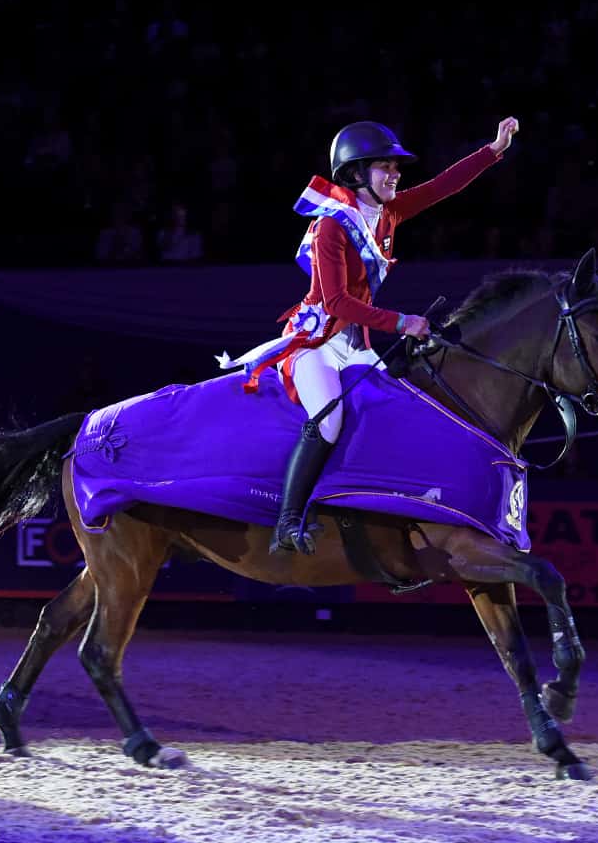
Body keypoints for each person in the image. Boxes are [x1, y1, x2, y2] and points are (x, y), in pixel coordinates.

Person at [218, 117, 519, 553]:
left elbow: (441, 187)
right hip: (316, 343)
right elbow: (337, 302)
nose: (395, 174)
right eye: (385, 167)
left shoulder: (390, 213)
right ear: (357, 174)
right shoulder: (331, 227)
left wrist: (493, 149)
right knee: (330, 418)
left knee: (398, 408)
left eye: (395, 167)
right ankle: (286, 521)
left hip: (356, 343)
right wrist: (403, 322)